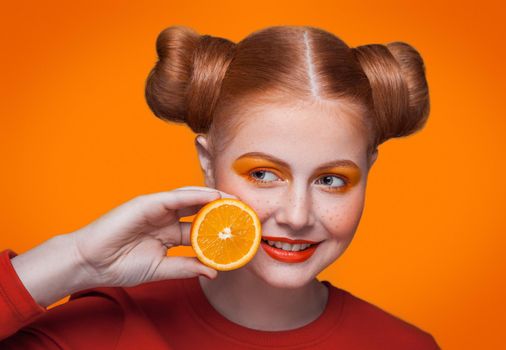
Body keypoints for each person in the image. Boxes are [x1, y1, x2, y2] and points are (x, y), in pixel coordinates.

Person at [0, 25, 440, 349]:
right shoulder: (104, 330)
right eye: (264, 174)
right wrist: (75, 259)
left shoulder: (404, 345)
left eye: (331, 180)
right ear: (208, 163)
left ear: (368, 170)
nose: (297, 215)